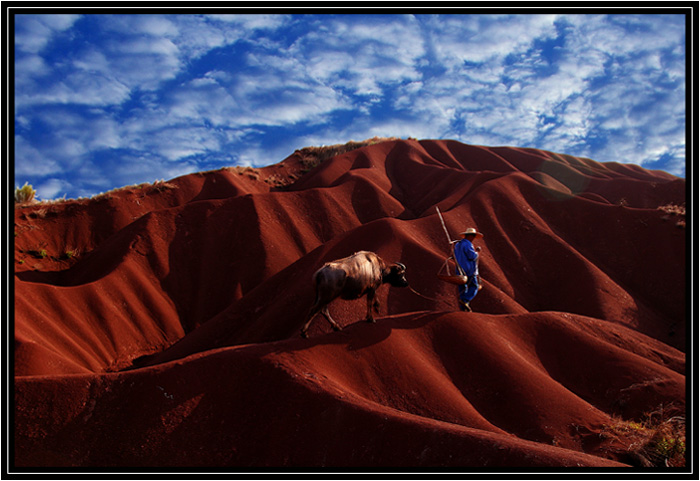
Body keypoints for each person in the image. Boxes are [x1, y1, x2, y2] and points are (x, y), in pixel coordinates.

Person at [452, 227, 483, 312]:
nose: (473, 238)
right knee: (474, 286)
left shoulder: (458, 244)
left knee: (462, 288)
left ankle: (463, 308)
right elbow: (471, 256)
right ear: (469, 236)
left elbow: (454, 255)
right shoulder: (468, 244)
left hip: (459, 270)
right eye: (473, 236)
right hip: (468, 270)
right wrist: (477, 252)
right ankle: (465, 301)